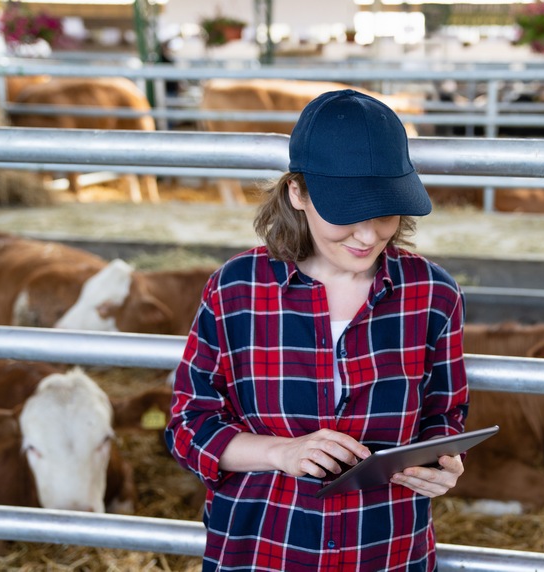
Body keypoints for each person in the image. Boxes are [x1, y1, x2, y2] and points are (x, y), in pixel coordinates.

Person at [165, 89, 469, 571]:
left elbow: (443, 414)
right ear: (297, 193)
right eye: (346, 213)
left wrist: (440, 464)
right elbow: (188, 427)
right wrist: (281, 452)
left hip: (387, 549)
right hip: (266, 548)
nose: (368, 236)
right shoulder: (236, 288)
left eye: (385, 213)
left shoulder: (434, 294)